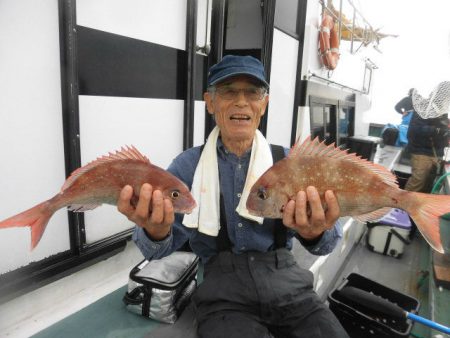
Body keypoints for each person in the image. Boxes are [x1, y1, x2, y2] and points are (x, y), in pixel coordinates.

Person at [117, 55, 348, 338]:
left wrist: (314, 233)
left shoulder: (289, 162)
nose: (242, 101)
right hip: (221, 293)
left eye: (252, 92)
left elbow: (326, 244)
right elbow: (158, 251)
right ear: (210, 102)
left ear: (263, 104)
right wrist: (154, 231)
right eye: (229, 91)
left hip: (289, 283)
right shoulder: (186, 166)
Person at [395, 87, 449, 193]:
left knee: (429, 184)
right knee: (417, 183)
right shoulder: (423, 108)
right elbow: (414, 130)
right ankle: (401, 208)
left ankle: (416, 207)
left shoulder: (443, 112)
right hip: (421, 153)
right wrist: (438, 131)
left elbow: (443, 130)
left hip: (437, 153)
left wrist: (446, 133)